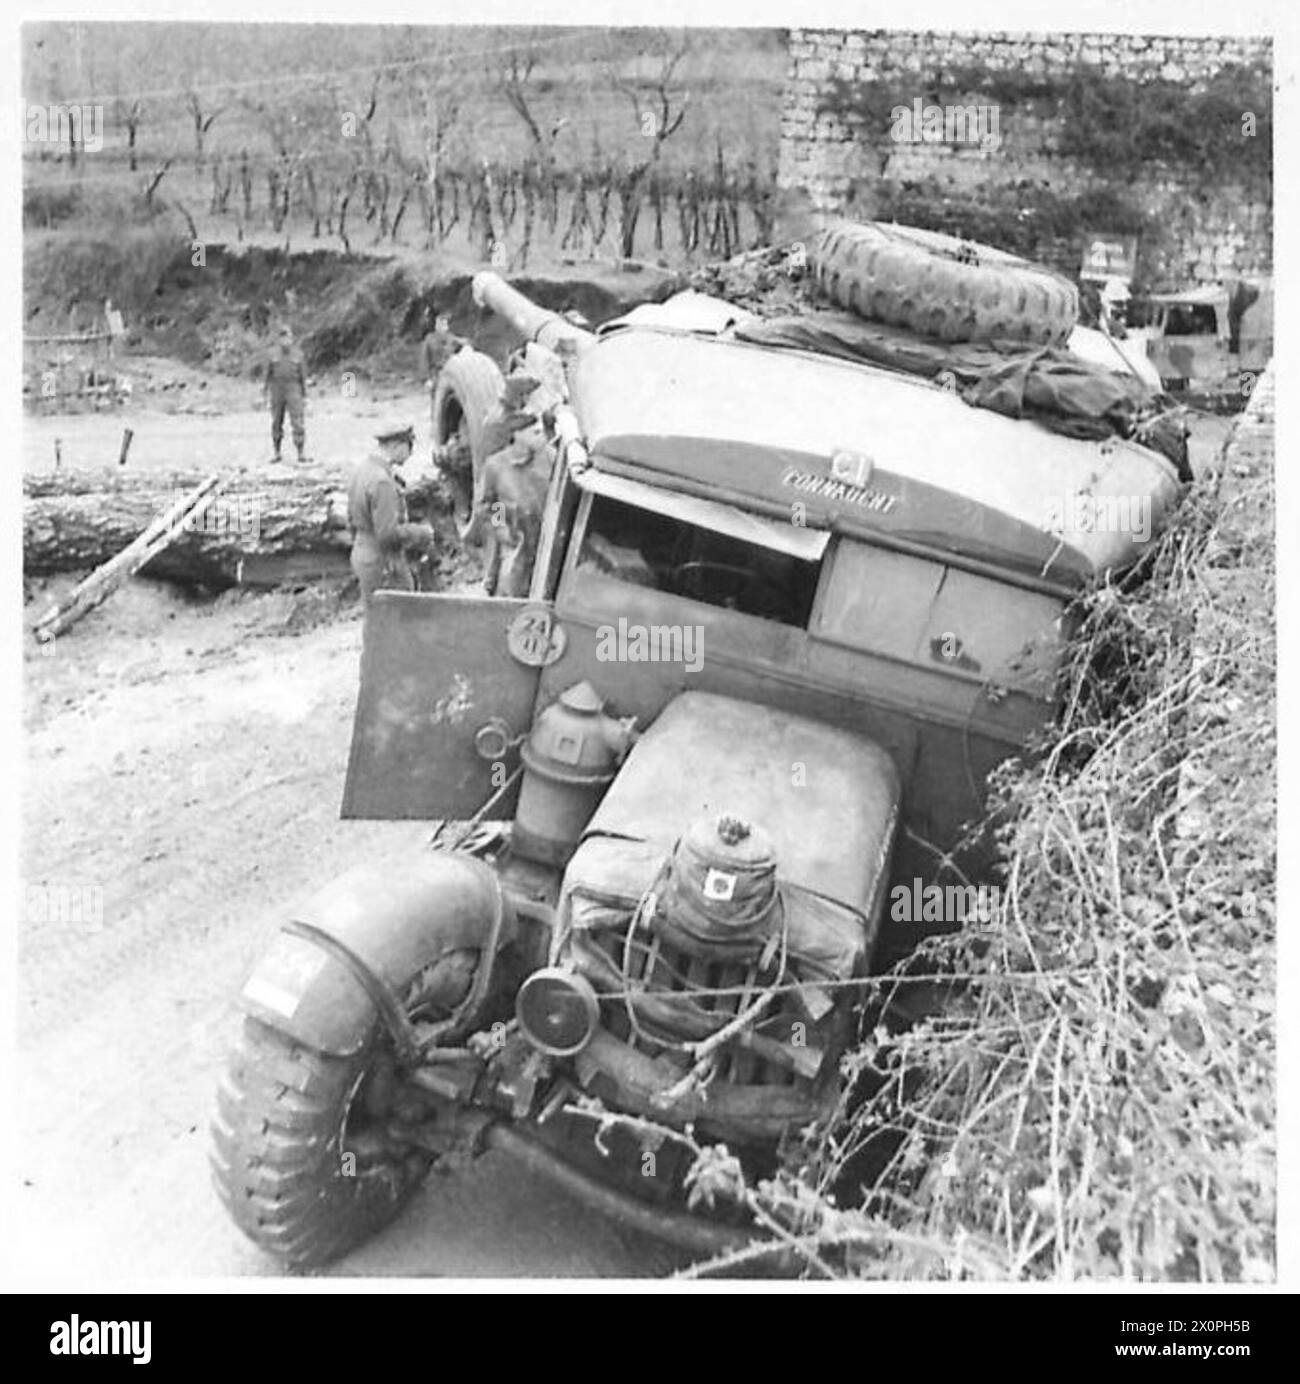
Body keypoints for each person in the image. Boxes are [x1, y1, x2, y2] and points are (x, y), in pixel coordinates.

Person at [347, 423, 436, 609]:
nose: (411, 453)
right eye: (408, 446)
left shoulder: (361, 469)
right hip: (382, 560)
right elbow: (387, 535)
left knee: (377, 618)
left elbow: (351, 519)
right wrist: (421, 533)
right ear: (396, 446)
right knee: (398, 618)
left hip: (363, 552)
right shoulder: (382, 481)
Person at [466, 411, 555, 598]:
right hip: (515, 538)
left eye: (540, 431)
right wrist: (501, 526)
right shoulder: (496, 466)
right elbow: (489, 504)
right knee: (511, 587)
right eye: (533, 431)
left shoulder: (550, 457)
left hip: (546, 535)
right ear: (517, 434)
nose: (540, 435)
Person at [264, 325, 308, 463]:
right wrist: (265, 392)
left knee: (297, 421)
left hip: (293, 388)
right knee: (276, 421)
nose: (285, 341)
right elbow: (267, 375)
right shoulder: (271, 354)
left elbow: (303, 376)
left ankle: (300, 452)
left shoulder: (298, 355)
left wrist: (304, 395)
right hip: (277, 389)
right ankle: (277, 452)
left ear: (291, 338)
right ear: (278, 339)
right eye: (282, 337)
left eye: (287, 337)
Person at [420, 312, 465, 429]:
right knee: (437, 402)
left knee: (452, 400)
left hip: (451, 374)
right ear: (436, 325)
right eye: (440, 324)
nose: (443, 326)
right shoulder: (429, 339)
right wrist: (427, 379)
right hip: (436, 374)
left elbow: (464, 347)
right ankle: (436, 428)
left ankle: (451, 427)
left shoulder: (451, 338)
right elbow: (424, 360)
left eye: (445, 324)